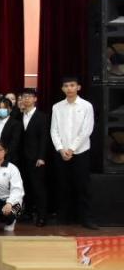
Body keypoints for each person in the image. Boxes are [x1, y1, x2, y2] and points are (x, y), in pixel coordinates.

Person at [50, 76, 96, 229]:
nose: (69, 88)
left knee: (83, 187)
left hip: (81, 152)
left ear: (78, 87)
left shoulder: (86, 106)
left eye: (72, 85)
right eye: (66, 86)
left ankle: (86, 219)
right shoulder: (57, 107)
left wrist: (72, 149)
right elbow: (54, 130)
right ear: (62, 89)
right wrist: (61, 149)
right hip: (62, 153)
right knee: (62, 186)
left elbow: (87, 130)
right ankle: (63, 218)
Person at [18, 88, 49, 226]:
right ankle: (27, 213)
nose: (26, 99)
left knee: (38, 188)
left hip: (36, 159)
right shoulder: (19, 116)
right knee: (25, 187)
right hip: (22, 158)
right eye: (24, 96)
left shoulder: (42, 116)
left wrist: (41, 157)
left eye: (29, 96)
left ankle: (42, 216)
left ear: (35, 99)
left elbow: (44, 138)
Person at [0, 98, 24, 168]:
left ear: (10, 109)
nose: (1, 110)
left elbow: (14, 142)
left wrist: (3, 153)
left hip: (10, 158)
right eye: (0, 107)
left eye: (4, 108)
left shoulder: (16, 124)